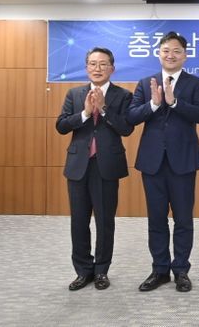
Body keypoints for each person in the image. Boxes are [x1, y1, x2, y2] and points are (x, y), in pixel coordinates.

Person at [126, 31, 199, 293]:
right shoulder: (145, 83)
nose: (170, 55)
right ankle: (159, 269)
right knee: (156, 219)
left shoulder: (195, 83)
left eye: (176, 51)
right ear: (158, 54)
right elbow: (131, 117)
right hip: (152, 162)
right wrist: (153, 104)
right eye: (166, 51)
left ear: (185, 55)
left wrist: (174, 103)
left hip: (183, 160)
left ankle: (181, 270)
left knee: (183, 219)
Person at [56, 47, 134, 291]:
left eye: (102, 64)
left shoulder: (123, 95)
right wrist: (86, 113)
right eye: (92, 64)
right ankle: (83, 271)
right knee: (78, 221)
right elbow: (61, 126)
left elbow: (126, 128)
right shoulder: (74, 94)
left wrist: (105, 109)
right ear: (86, 67)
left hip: (106, 166)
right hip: (78, 166)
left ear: (112, 68)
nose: (97, 68)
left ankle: (101, 271)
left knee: (104, 221)